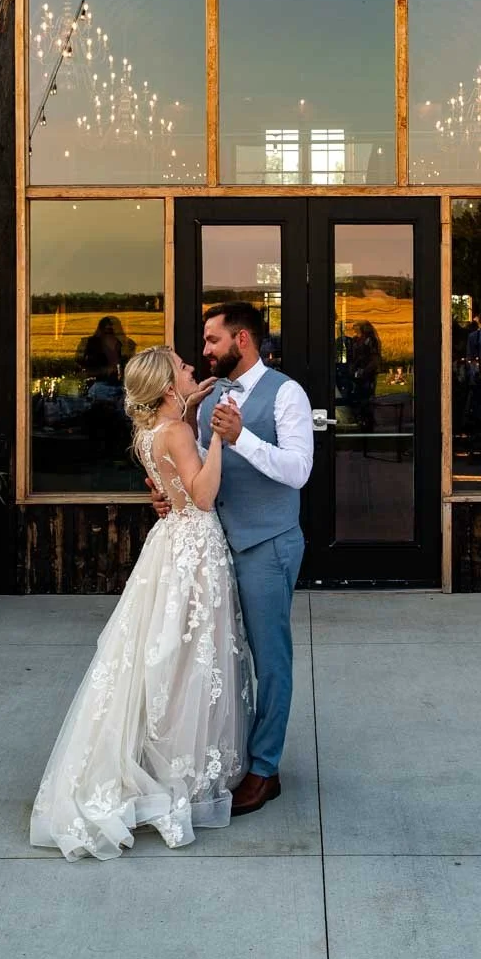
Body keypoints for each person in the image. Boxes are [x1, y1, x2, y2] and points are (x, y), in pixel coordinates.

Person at [29, 347, 251, 860]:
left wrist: (192, 410)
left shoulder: (150, 432)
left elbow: (172, 471)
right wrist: (218, 437)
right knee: (193, 657)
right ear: (169, 386)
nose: (191, 367)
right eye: (182, 368)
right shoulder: (175, 432)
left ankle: (160, 757)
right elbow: (201, 496)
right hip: (195, 546)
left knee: (164, 654)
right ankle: (182, 767)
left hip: (169, 544)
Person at [150, 301, 314, 818]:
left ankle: (265, 770)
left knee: (271, 658)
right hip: (216, 547)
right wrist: (171, 495)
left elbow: (298, 470)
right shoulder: (211, 394)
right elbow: (198, 471)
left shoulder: (287, 393)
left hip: (267, 545)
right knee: (222, 656)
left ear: (242, 340)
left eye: (212, 341)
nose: (204, 351)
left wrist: (243, 437)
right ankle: (228, 754)